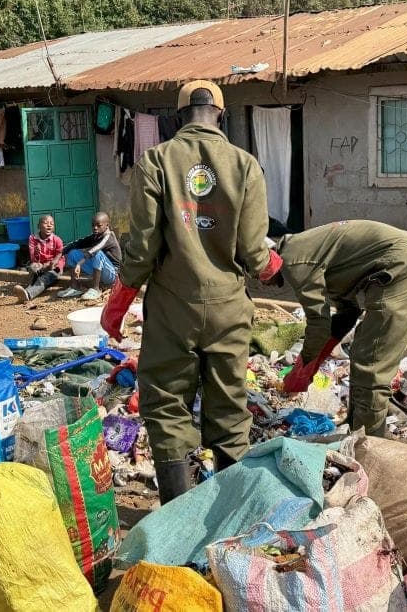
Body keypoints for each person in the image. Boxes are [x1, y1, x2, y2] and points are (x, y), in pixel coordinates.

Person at [100, 80, 281, 504]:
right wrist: (274, 268)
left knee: (166, 407)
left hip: (172, 308)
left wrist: (118, 303)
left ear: (178, 117)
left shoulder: (155, 161)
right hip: (228, 308)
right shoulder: (245, 165)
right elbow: (255, 252)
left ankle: (178, 514)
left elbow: (142, 249)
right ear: (221, 115)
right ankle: (229, 513)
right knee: (230, 409)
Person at [263, 221, 407, 437]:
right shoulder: (303, 251)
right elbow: (348, 313)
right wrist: (314, 361)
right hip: (401, 257)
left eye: (253, 271)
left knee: (371, 359)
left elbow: (319, 324)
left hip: (401, 263)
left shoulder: (295, 261)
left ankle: (369, 441)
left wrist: (302, 370)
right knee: (362, 353)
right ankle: (356, 427)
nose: (260, 283)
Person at [57, 212, 122, 301]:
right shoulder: (95, 236)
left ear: (107, 225)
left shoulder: (109, 236)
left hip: (112, 274)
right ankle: (75, 287)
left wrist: (79, 263)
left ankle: (96, 289)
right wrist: (59, 253)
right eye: (93, 225)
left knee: (98, 253)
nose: (95, 228)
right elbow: (77, 243)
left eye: (99, 225)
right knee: (73, 253)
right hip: (100, 271)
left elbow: (95, 249)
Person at [11, 215, 64, 304]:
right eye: (46, 223)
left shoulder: (57, 240)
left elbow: (60, 253)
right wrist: (36, 253)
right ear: (39, 226)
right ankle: (30, 289)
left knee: (44, 278)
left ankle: (27, 294)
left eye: (52, 224)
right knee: (33, 268)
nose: (49, 225)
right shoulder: (33, 238)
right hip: (41, 264)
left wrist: (53, 262)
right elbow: (33, 258)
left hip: (55, 266)